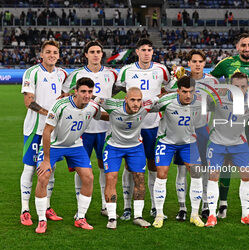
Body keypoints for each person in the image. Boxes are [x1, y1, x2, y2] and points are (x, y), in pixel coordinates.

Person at [210, 33, 249, 218]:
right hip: (231, 116)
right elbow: (210, 79)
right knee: (226, 161)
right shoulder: (226, 63)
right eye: (243, 45)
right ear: (237, 47)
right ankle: (223, 203)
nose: (247, 48)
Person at [34, 77, 102, 234]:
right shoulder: (60, 105)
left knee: (88, 177)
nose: (87, 95)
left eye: (90, 92)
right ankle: (42, 220)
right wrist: (46, 159)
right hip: (54, 145)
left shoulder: (92, 106)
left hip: (75, 145)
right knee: (43, 176)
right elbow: (46, 131)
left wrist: (127, 115)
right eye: (83, 91)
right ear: (75, 91)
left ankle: (81, 218)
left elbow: (104, 116)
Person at [115, 38, 171, 220]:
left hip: (153, 125)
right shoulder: (126, 71)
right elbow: (116, 91)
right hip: (132, 125)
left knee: (153, 165)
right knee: (130, 167)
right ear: (137, 51)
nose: (147, 52)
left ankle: (155, 206)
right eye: (143, 49)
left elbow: (169, 89)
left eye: (150, 49)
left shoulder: (161, 69)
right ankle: (127, 207)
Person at [62, 41, 118, 217]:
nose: (96, 54)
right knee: (81, 168)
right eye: (92, 51)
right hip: (82, 130)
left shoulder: (111, 74)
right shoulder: (76, 74)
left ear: (102, 54)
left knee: (104, 166)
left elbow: (112, 93)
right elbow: (65, 94)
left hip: (105, 128)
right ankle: (81, 210)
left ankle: (104, 204)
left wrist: (100, 101)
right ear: (85, 54)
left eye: (98, 52)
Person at [94, 87, 160, 229]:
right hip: (113, 147)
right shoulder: (112, 105)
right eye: (132, 100)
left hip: (135, 147)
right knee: (111, 178)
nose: (136, 103)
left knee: (139, 179)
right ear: (125, 99)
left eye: (138, 100)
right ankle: (112, 218)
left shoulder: (146, 105)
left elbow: (161, 97)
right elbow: (93, 98)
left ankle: (138, 216)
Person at [205, 72, 249, 227]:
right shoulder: (218, 98)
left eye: (243, 87)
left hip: (239, 143)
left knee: (247, 175)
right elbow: (199, 100)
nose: (239, 90)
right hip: (217, 142)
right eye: (236, 87)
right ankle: (211, 215)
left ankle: (246, 215)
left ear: (247, 87)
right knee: (213, 176)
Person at [168, 50, 219, 221]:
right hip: (182, 130)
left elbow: (218, 104)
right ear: (188, 63)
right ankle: (182, 208)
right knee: (182, 169)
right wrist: (173, 80)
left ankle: (205, 205)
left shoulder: (212, 81)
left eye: (201, 61)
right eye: (194, 61)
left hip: (203, 130)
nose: (197, 64)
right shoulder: (181, 80)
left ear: (205, 63)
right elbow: (167, 96)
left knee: (204, 169)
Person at [20, 40, 67, 226]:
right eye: (48, 52)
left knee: (50, 168)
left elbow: (66, 96)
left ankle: (46, 206)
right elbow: (28, 102)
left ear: (59, 55)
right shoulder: (32, 72)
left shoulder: (62, 74)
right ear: (42, 54)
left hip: (54, 131)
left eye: (55, 52)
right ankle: (25, 210)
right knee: (30, 168)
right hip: (35, 129)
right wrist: (49, 113)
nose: (52, 55)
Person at [152, 76, 204, 228]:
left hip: (189, 143)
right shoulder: (167, 101)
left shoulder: (199, 103)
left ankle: (195, 214)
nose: (188, 95)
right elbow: (146, 109)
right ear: (178, 91)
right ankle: (159, 214)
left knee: (196, 174)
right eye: (185, 92)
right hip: (166, 142)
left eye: (191, 92)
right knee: (161, 174)